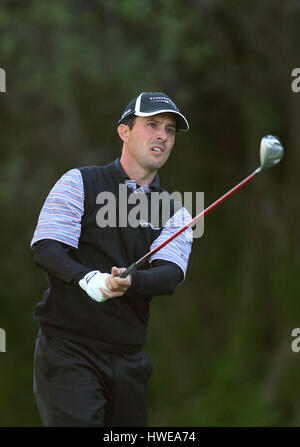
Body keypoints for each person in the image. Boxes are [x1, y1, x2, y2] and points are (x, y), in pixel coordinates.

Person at [31, 91, 193, 427]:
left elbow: (170, 274)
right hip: (69, 352)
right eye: (152, 125)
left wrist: (131, 280)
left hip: (128, 359)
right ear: (125, 131)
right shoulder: (79, 182)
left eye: (170, 130)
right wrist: (88, 279)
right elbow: (47, 248)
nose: (162, 135)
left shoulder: (175, 212)